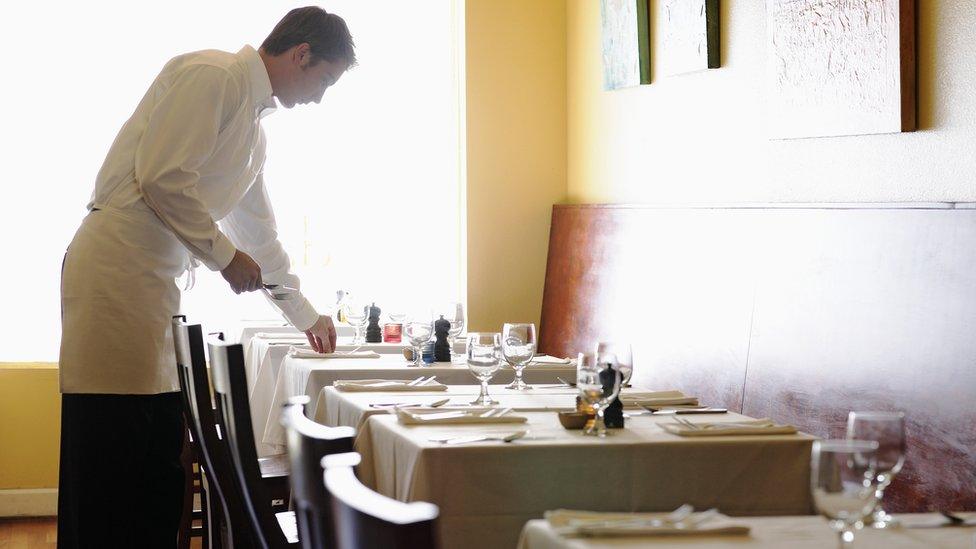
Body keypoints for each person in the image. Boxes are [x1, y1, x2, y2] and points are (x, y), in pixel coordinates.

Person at [56, 7, 355, 547]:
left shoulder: (254, 134)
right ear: (301, 54)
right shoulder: (213, 76)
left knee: (155, 469)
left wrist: (305, 314)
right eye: (325, 81)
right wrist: (224, 257)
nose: (320, 97)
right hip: (116, 271)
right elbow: (161, 178)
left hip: (157, 283)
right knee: (108, 458)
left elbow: (261, 238)